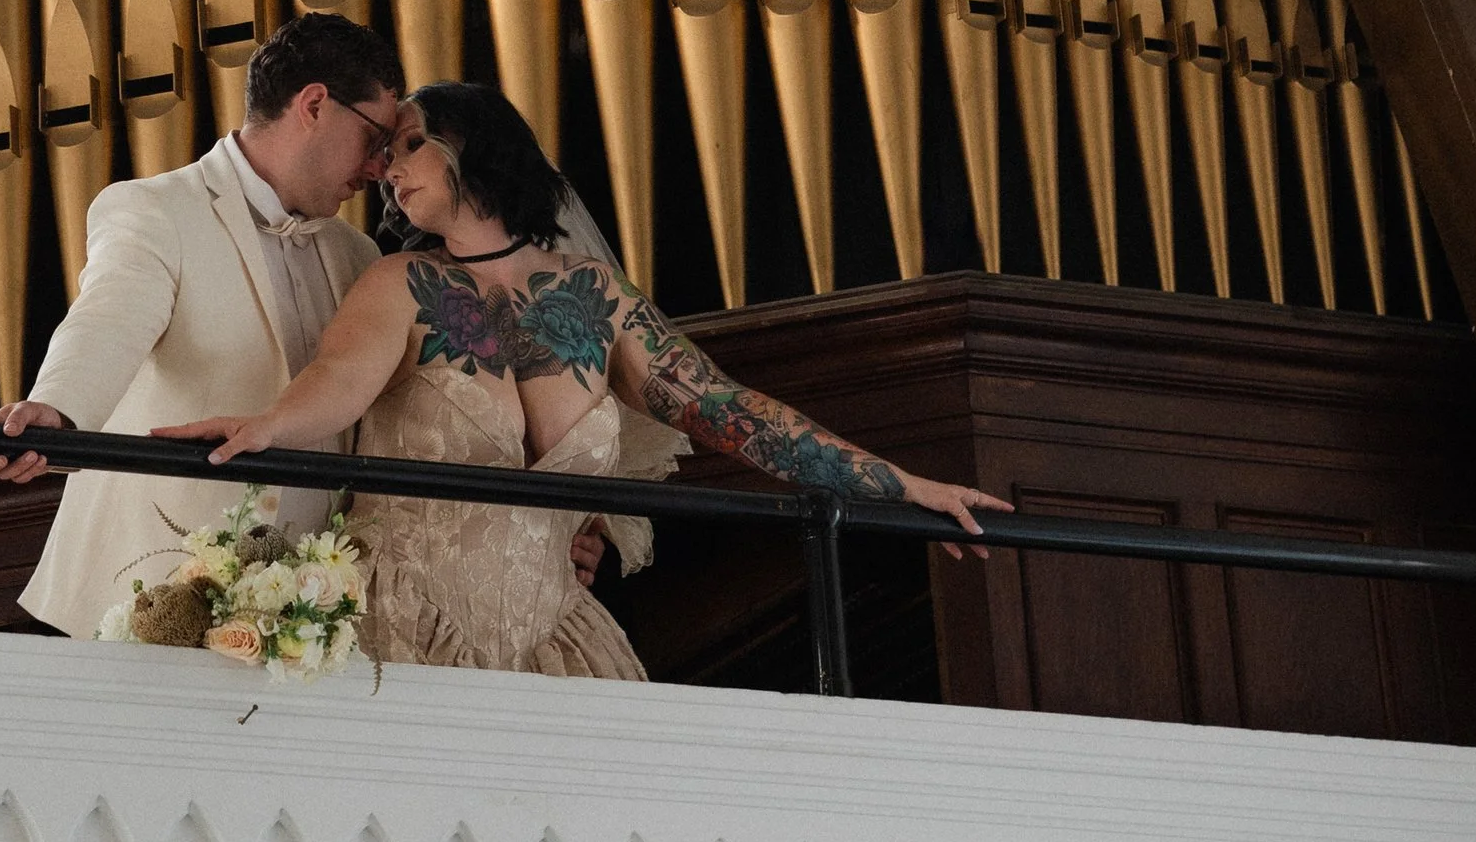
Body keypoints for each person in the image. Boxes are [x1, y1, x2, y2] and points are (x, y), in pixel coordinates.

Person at [167, 82, 1009, 679]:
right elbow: (340, 379)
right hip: (406, 626)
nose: (390, 165)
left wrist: (900, 487)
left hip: (556, 642)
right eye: (386, 151)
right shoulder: (398, 283)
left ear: (481, 145)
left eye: (414, 141)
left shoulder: (597, 296)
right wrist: (267, 426)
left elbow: (729, 410)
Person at [0, 12, 406, 638]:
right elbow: (106, 320)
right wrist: (57, 411)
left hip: (308, 623)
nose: (378, 168)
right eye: (375, 140)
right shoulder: (155, 210)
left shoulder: (361, 257)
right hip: (151, 599)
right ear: (315, 103)